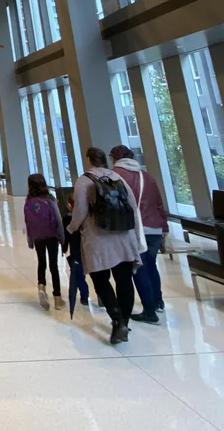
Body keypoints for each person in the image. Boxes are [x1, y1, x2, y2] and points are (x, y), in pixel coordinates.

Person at [67, 146, 142, 344]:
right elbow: (132, 208)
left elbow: (80, 210)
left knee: (100, 279)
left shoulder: (84, 180)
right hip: (123, 235)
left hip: (98, 237)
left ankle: (117, 319)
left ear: (88, 160)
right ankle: (124, 321)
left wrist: (71, 228)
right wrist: (135, 236)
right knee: (124, 280)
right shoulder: (118, 178)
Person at [110, 144, 169, 324]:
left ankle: (149, 311)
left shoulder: (115, 176)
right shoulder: (147, 176)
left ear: (114, 158)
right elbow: (159, 203)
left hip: (135, 229)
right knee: (151, 266)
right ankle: (158, 301)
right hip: (154, 228)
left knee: (138, 268)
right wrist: (164, 226)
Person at [23, 174, 64, 310]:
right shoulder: (50, 199)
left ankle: (41, 287)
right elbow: (58, 219)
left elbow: (28, 223)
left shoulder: (29, 201)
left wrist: (30, 240)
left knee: (42, 263)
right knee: (54, 266)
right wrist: (62, 238)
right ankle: (57, 298)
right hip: (51, 236)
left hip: (38, 237)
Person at [63, 194, 90, 306]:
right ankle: (99, 296)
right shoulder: (88, 216)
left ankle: (84, 295)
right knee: (96, 274)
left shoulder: (67, 219)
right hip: (88, 249)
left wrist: (64, 247)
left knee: (78, 273)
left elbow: (66, 235)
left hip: (76, 250)